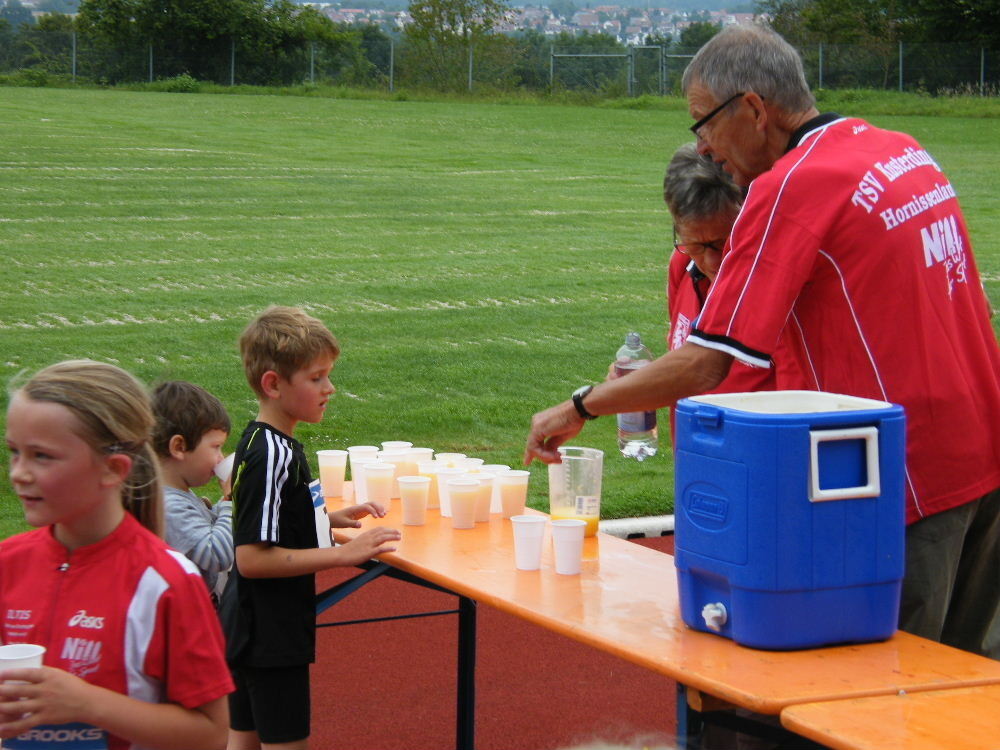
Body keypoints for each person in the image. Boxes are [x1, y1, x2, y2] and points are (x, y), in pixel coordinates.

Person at [525, 24, 1000, 658]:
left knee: (887, 697)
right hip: (984, 448)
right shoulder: (896, 148)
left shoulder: (789, 185)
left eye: (704, 122)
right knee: (970, 689)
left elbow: (708, 360)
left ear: (752, 107)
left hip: (908, 474)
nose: (703, 145)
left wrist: (580, 405)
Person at [0, 359, 232, 750]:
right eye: (14, 452)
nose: (19, 473)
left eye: (42, 456)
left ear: (113, 469)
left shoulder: (167, 581)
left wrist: (86, 704)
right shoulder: (8, 564)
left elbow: (210, 733)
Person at [220, 306, 401, 750]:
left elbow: (268, 517)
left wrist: (330, 518)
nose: (330, 388)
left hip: (246, 625)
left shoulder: (261, 440)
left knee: (242, 741)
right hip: (268, 632)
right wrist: (346, 553)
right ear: (273, 384)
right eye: (317, 377)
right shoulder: (274, 454)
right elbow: (253, 557)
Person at [152, 380, 234, 604]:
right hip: (191, 616)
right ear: (178, 447)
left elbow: (207, 526)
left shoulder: (178, 495)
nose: (220, 458)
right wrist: (230, 499)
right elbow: (217, 555)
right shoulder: (169, 506)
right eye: (215, 446)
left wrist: (221, 508)